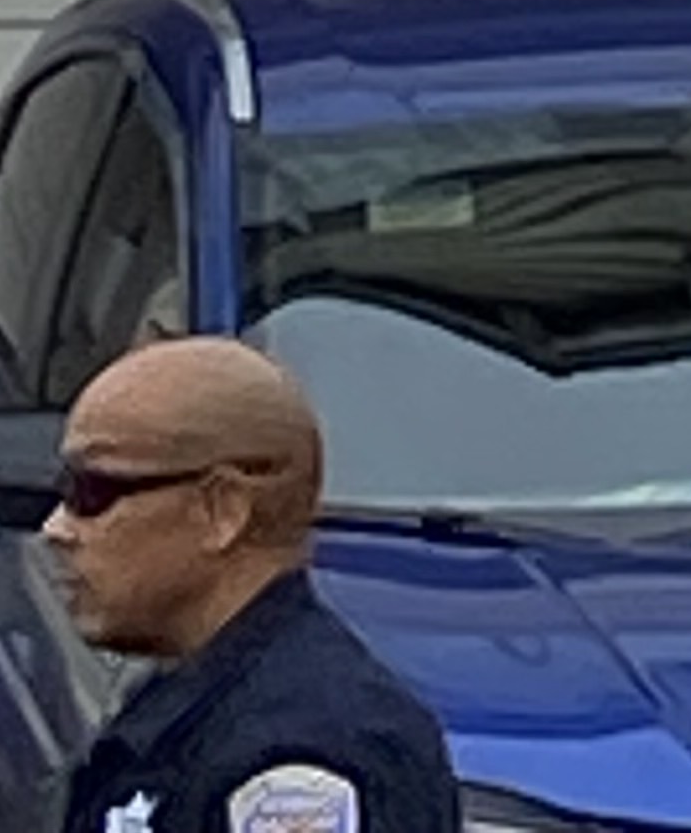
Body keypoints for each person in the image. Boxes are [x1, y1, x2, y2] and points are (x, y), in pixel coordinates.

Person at [46, 336, 461, 833]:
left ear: (222, 511)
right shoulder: (192, 711)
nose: (58, 528)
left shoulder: (306, 753)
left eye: (93, 491)